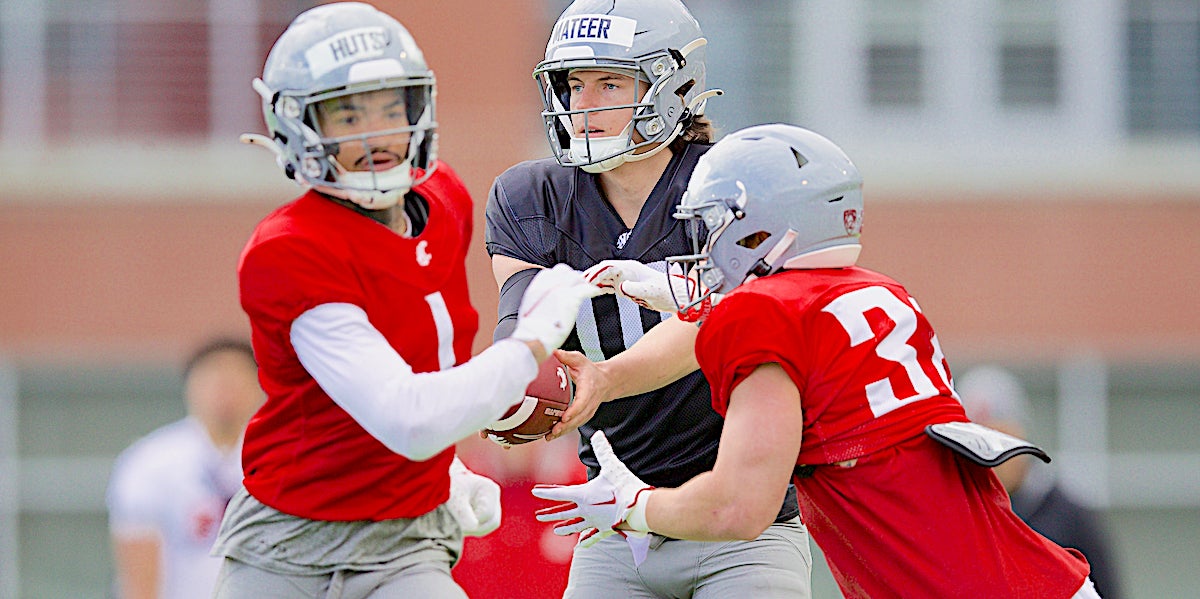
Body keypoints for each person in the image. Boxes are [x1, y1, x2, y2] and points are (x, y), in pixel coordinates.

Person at [532, 123, 1103, 598]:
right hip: (1044, 579)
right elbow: (797, 318)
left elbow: (736, 508)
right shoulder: (877, 292)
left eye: (714, 227)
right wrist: (678, 294)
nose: (703, 246)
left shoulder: (763, 316)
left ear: (762, 230)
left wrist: (635, 506)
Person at [209, 4, 600, 598]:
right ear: (299, 125)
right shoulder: (288, 250)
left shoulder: (444, 199)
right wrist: (532, 342)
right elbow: (409, 417)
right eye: (347, 113)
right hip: (292, 547)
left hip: (406, 540)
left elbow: (426, 359)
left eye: (391, 109)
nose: (377, 134)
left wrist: (447, 470)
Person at [485, 1, 811, 597]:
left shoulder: (734, 184)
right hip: (612, 522)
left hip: (743, 525)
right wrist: (505, 385)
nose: (584, 105)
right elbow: (525, 323)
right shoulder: (530, 197)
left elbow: (713, 325)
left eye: (610, 82)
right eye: (573, 83)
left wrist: (604, 379)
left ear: (675, 84)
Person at [106, 337, 263, 599]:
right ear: (191, 386)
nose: (226, 390)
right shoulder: (149, 462)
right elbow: (138, 573)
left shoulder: (281, 459)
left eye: (238, 376)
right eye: (214, 377)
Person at [957, 365, 1124, 599]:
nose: (989, 457)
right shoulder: (955, 516)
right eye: (976, 443)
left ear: (1021, 436)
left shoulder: (1070, 518)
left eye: (998, 439)